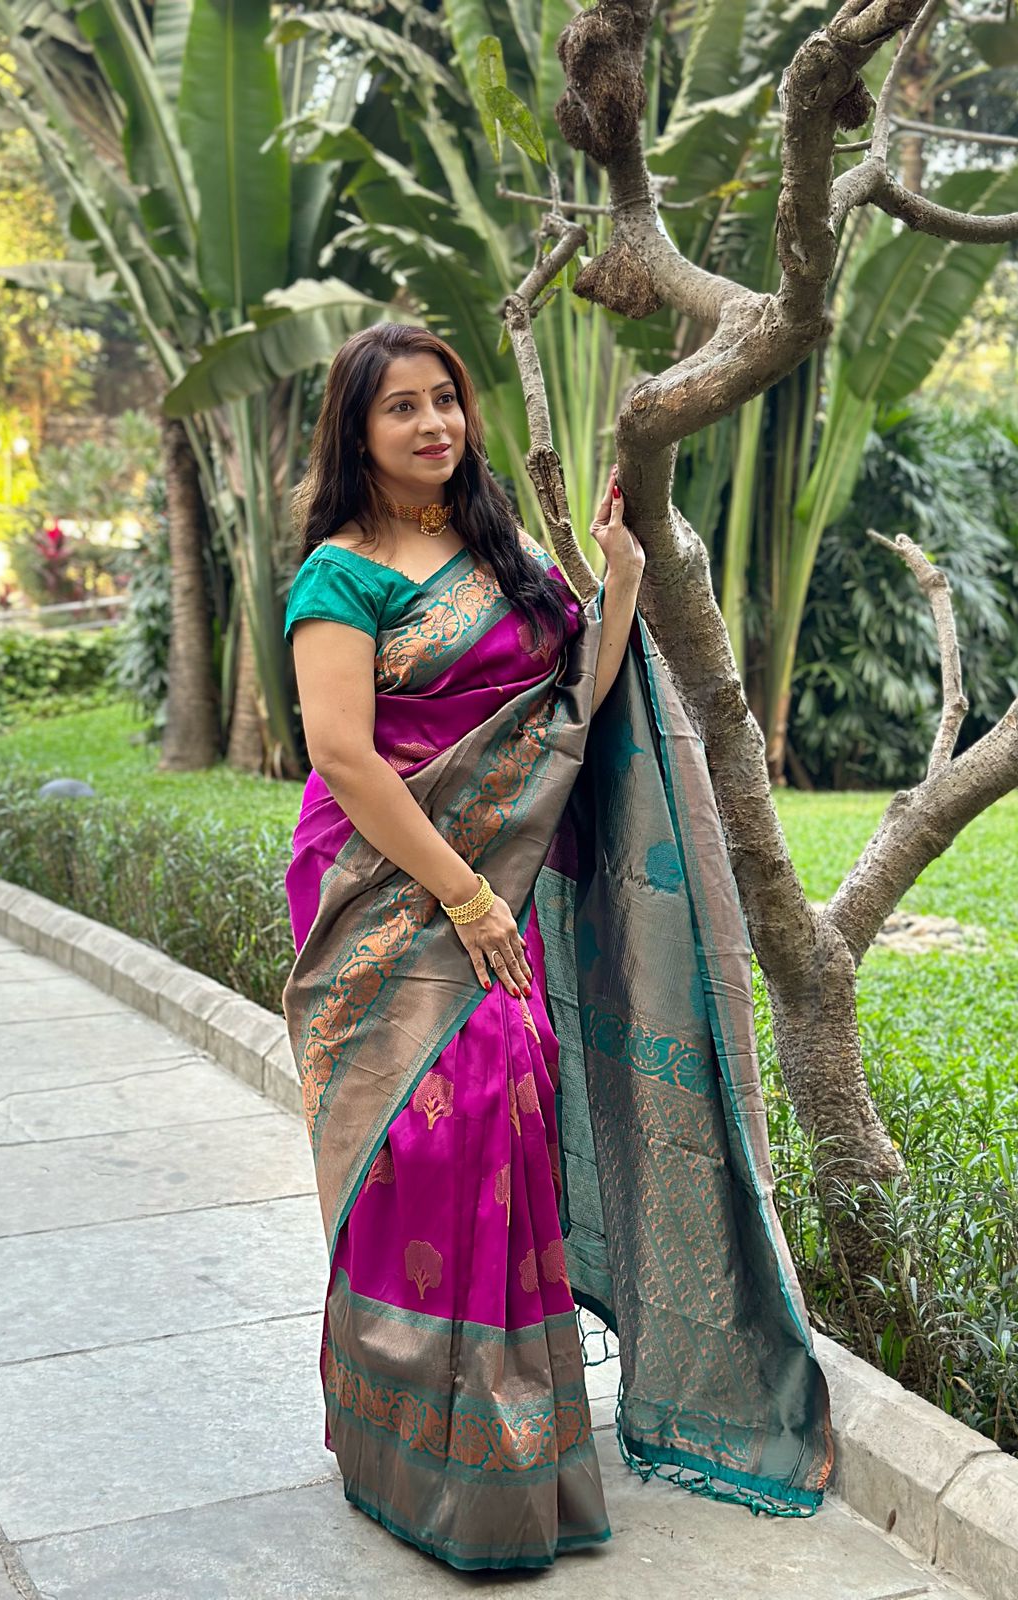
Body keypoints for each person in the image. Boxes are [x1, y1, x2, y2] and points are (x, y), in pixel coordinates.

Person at [281, 322, 834, 1572]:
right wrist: (469, 899)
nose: (433, 426)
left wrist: (620, 574)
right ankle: (412, 1447)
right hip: (386, 885)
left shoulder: (497, 551)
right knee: (433, 1126)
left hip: (483, 876)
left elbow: (568, 692)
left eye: (446, 402)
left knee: (507, 1106)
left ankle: (511, 1453)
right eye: (402, 409)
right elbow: (346, 756)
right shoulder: (341, 575)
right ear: (356, 434)